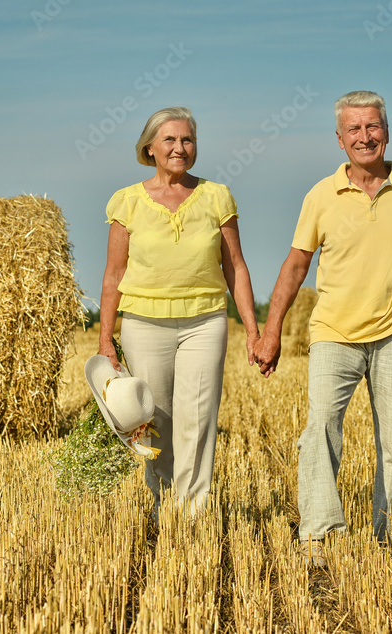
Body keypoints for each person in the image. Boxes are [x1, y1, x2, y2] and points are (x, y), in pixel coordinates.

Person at [253, 91, 392, 566]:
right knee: (320, 429)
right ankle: (319, 536)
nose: (365, 137)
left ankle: (390, 534)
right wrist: (271, 332)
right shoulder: (320, 195)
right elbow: (295, 266)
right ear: (339, 139)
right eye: (355, 129)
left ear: (386, 133)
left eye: (373, 127)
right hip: (334, 331)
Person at [98, 106, 260, 516]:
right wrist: (105, 337)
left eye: (187, 139)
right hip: (143, 325)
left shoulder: (217, 196)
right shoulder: (127, 202)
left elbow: (236, 267)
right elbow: (114, 273)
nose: (179, 148)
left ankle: (192, 516)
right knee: (157, 423)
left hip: (205, 322)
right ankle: (162, 506)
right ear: (149, 148)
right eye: (169, 140)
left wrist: (253, 330)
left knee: (199, 421)